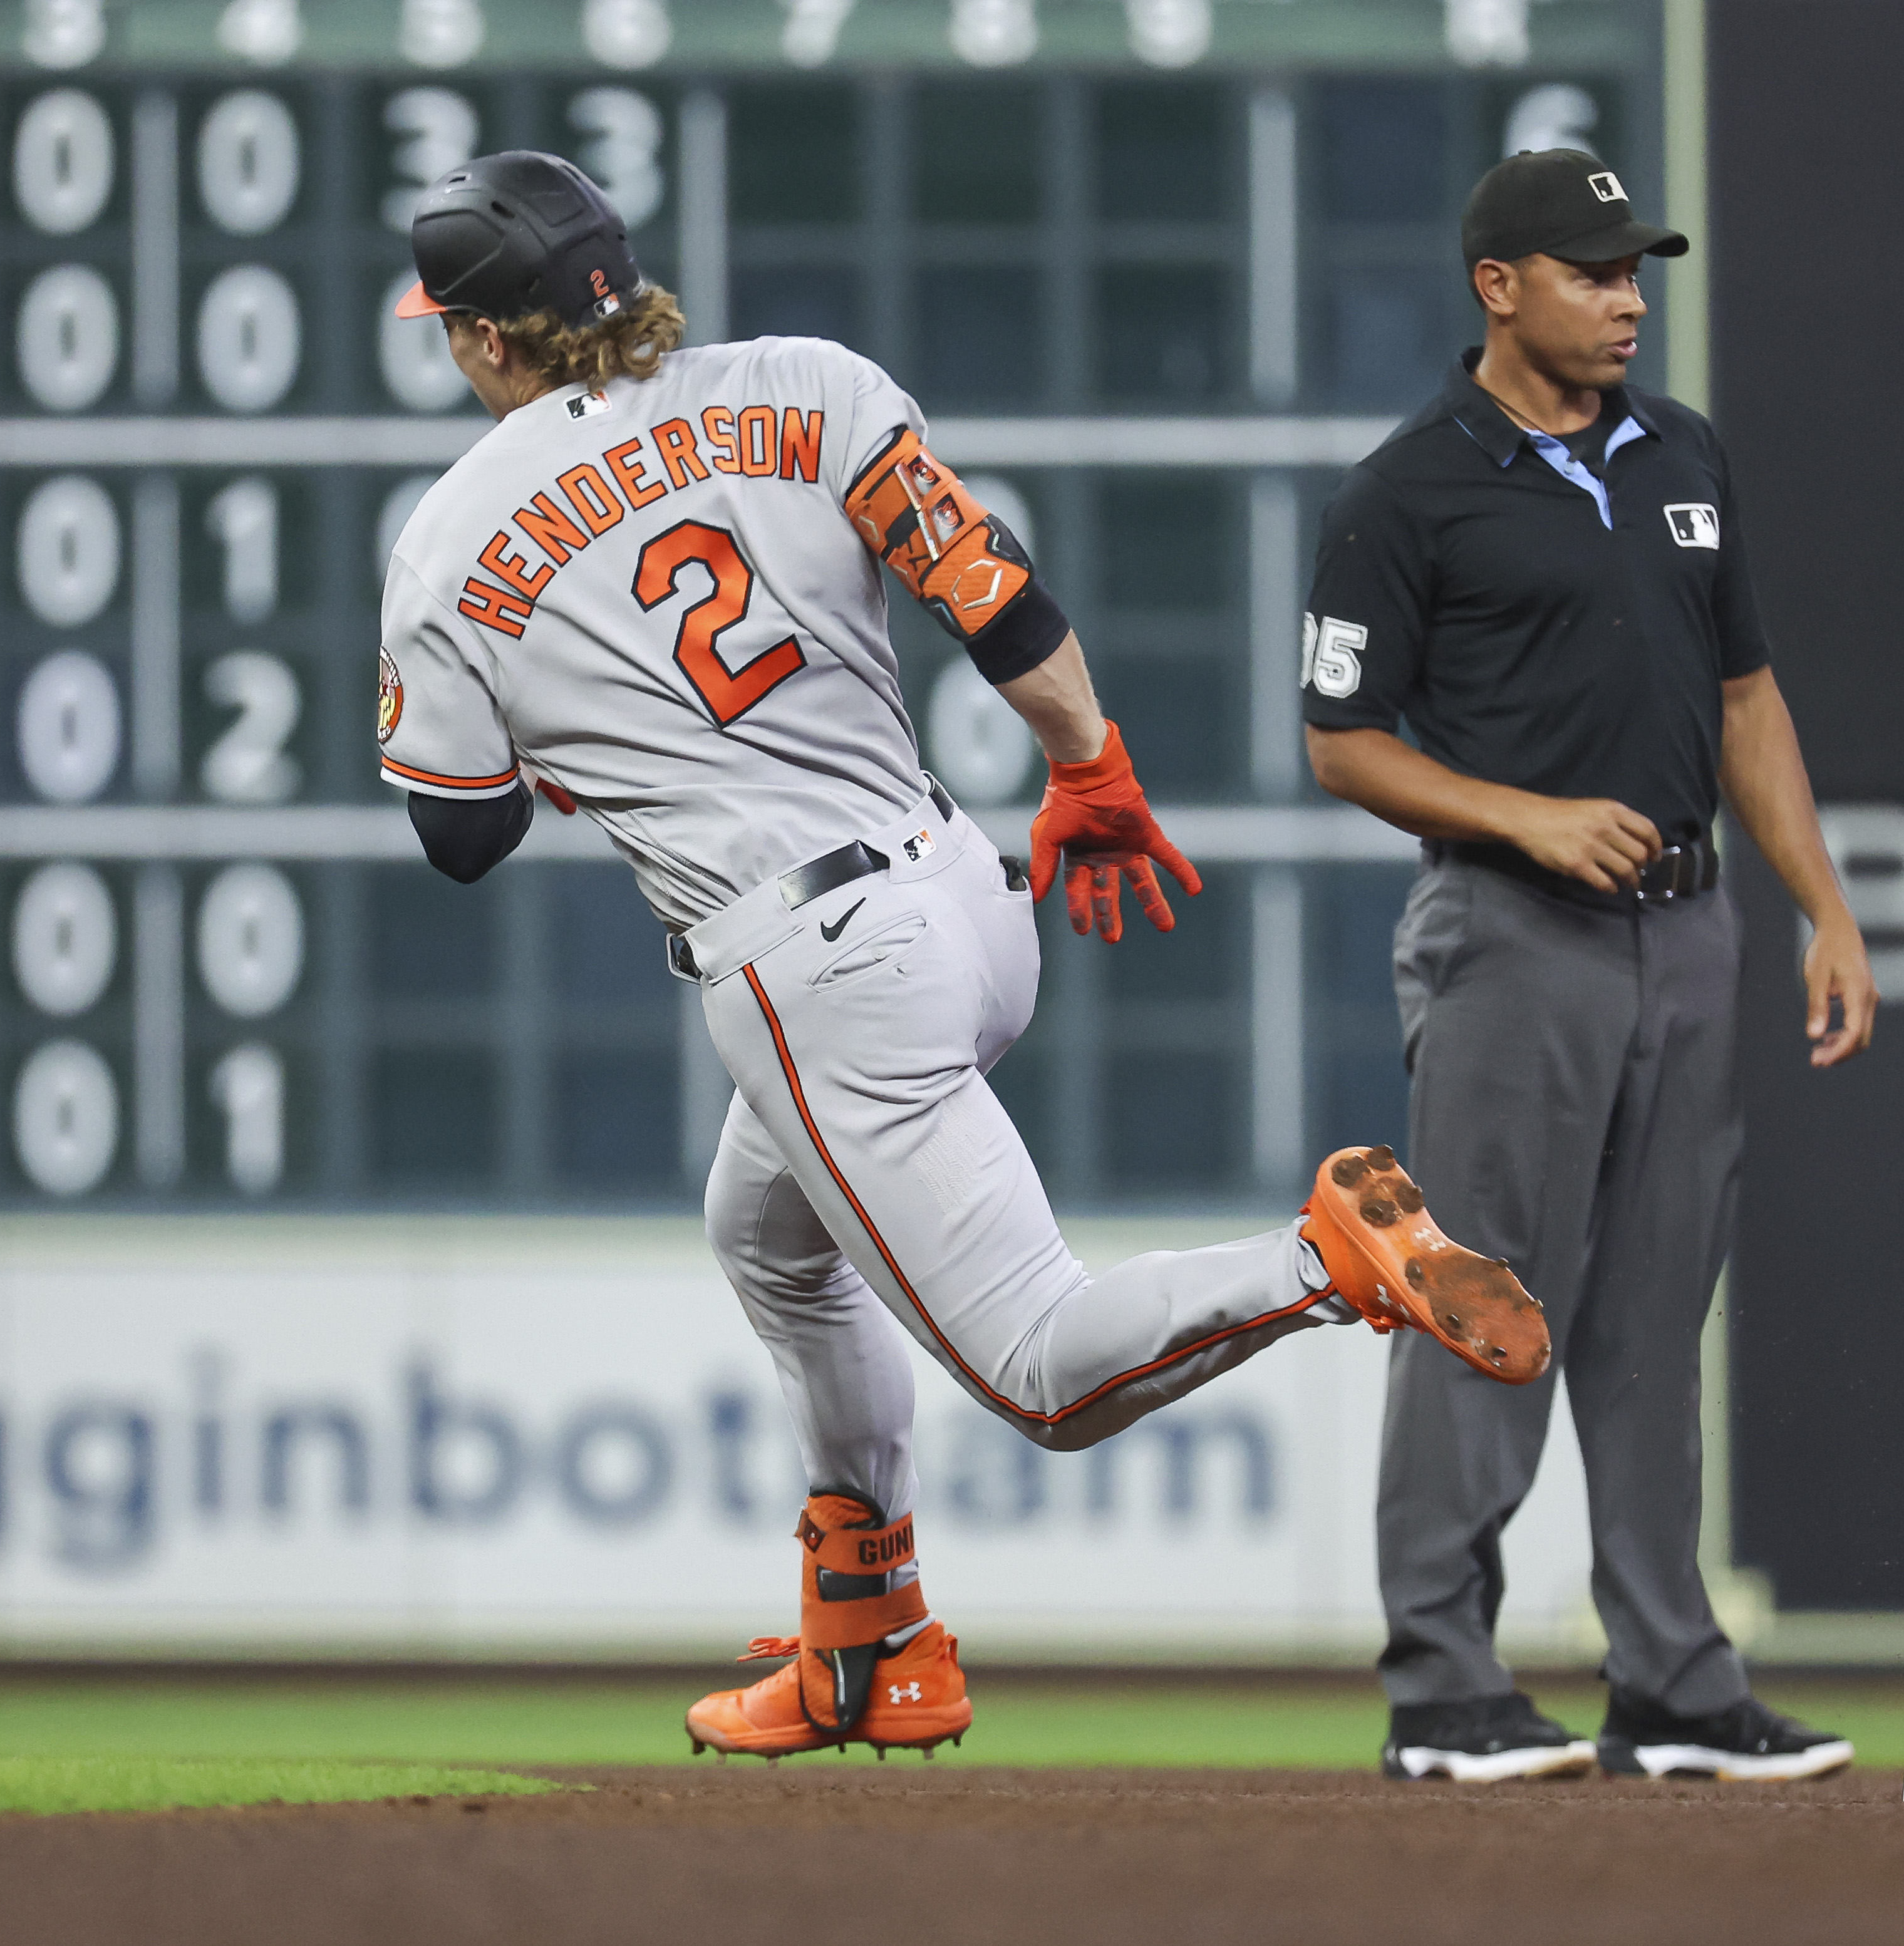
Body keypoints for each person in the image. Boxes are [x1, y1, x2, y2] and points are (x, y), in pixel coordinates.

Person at [376, 152, 1548, 1760]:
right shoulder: (808, 383)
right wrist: (1094, 770)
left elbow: (463, 835)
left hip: (816, 967)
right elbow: (989, 598)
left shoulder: (449, 542)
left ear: (489, 341)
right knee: (768, 1237)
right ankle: (872, 1641)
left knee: (1041, 1375)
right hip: (968, 896)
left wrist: (576, 733)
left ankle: (1328, 1262)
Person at [1300, 150, 1880, 1783]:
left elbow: (1748, 699)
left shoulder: (1683, 454)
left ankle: (1671, 1676)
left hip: (1689, 930)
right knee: (1480, 1300)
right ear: (1500, 286)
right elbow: (1340, 741)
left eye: (1637, 269)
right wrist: (1528, 819)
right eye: (1593, 269)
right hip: (1512, 932)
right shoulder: (1407, 489)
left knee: (1647, 1320)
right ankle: (1443, 1677)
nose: (1629, 297)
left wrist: (1822, 907)